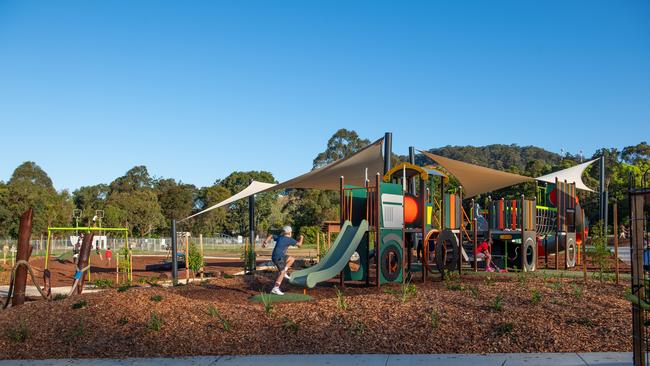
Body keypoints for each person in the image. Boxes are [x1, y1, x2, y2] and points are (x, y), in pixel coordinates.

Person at [262, 226, 304, 295]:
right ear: (290, 233)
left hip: (278, 256)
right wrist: (302, 238)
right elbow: (299, 245)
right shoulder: (289, 239)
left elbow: (271, 235)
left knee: (291, 259)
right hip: (278, 257)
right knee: (282, 272)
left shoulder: (280, 237)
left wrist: (265, 242)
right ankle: (275, 288)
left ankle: (284, 271)